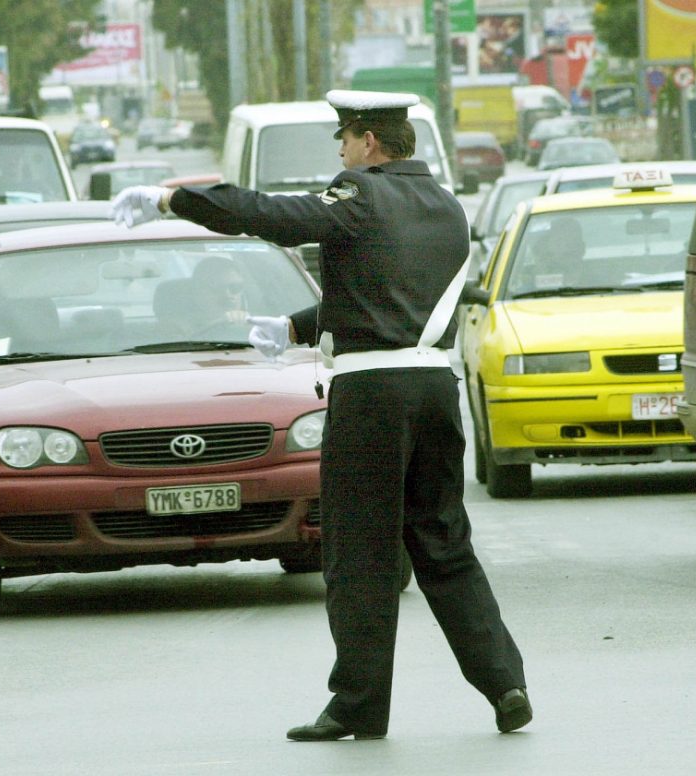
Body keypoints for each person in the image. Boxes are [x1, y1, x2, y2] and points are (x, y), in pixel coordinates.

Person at [112, 90, 531, 741]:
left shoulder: (360, 194)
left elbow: (273, 215)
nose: (338, 151)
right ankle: (505, 683)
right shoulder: (445, 206)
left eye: (342, 138)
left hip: (372, 396)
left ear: (367, 141)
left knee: (359, 550)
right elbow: (396, 297)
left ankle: (358, 704)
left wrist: (176, 199)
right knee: (444, 543)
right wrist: (294, 326)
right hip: (433, 389)